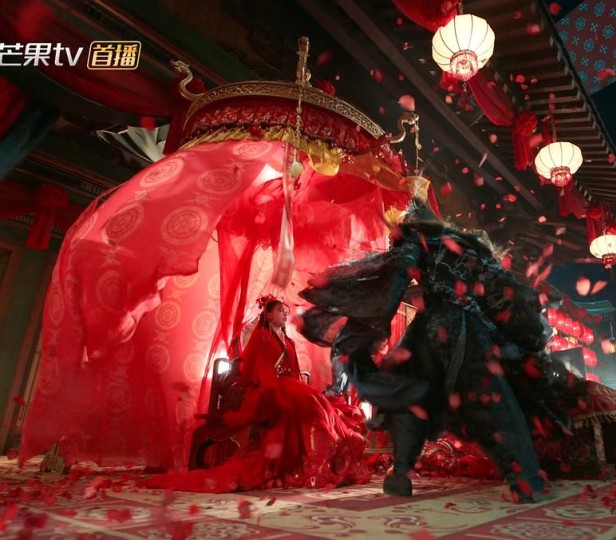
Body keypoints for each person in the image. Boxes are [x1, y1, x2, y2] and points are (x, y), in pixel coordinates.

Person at [300, 198, 586, 503]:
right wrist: (519, 328)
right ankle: (525, 479)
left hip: (431, 329)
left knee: (413, 396)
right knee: (491, 398)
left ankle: (400, 474)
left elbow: (397, 276)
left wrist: (369, 310)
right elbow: (498, 289)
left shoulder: (416, 241)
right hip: (470, 328)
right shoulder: (471, 246)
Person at [145, 297, 369, 493]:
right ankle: (315, 464)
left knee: (315, 401)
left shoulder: (289, 341)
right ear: (268, 315)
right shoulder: (262, 336)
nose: (284, 314)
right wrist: (275, 390)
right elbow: (261, 368)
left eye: (286, 311)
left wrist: (296, 385)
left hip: (291, 384)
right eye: (280, 310)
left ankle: (322, 460)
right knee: (307, 401)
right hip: (272, 386)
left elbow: (294, 370)